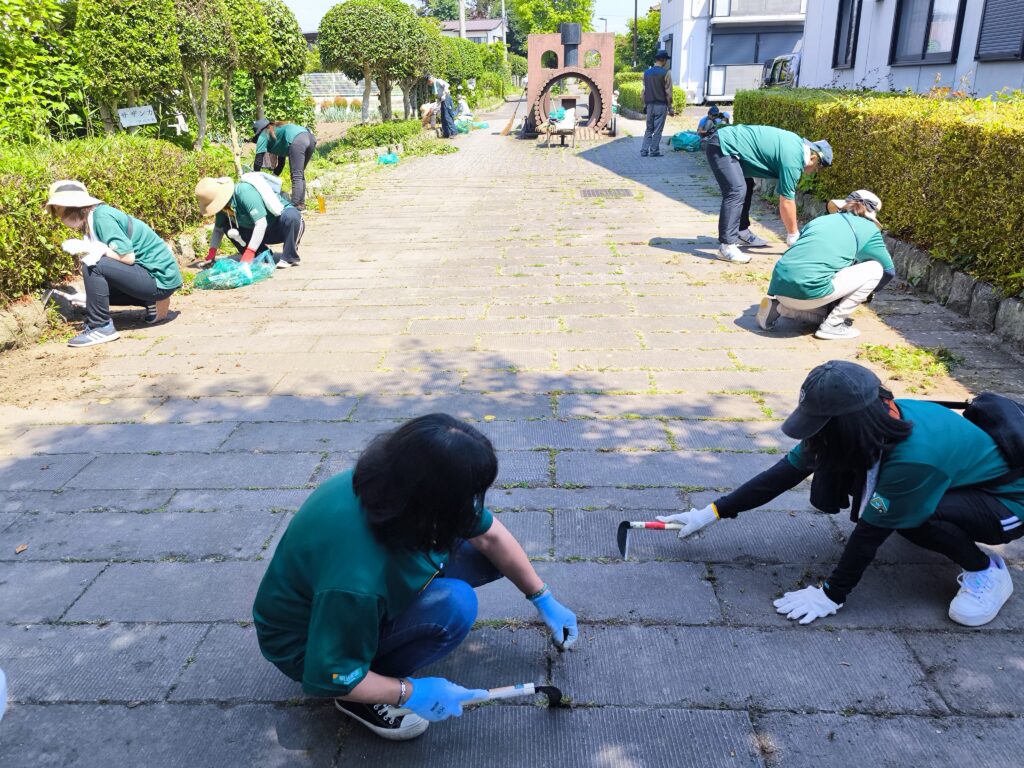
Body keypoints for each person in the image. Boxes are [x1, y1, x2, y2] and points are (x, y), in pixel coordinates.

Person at [252, 414, 579, 741]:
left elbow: (491, 537)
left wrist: (542, 596)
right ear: (433, 504)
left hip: (354, 598)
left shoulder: (396, 485)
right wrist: (409, 691)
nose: (476, 505)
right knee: (455, 605)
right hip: (315, 645)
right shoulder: (356, 580)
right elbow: (328, 675)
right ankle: (365, 694)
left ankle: (386, 639)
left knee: (490, 556)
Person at [656, 361, 1024, 628]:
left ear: (849, 424)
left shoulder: (916, 459)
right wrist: (709, 513)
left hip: (1008, 501)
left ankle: (986, 572)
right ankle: (930, 516)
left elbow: (870, 532)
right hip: (960, 481)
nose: (815, 437)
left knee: (917, 521)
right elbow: (782, 474)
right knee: (880, 496)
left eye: (821, 428)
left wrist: (832, 593)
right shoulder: (864, 424)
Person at [45, 180, 183, 348]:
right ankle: (150, 302)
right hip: (156, 279)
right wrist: (90, 299)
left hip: (159, 279)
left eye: (58, 210)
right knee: (95, 289)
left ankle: (101, 327)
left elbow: (127, 257)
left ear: (72, 207)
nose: (58, 217)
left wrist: (90, 248)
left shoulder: (102, 217)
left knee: (94, 265)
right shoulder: (92, 220)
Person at [756, 190, 896, 341]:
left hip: (780, 288)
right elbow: (888, 270)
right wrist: (868, 294)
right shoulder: (869, 230)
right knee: (875, 268)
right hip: (810, 292)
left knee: (819, 294)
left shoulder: (820, 220)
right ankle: (833, 325)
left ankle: (779, 307)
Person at [706, 123, 832, 264]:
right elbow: (786, 201)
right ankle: (727, 247)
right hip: (723, 145)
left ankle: (741, 232)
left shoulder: (796, 146)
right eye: (819, 168)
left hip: (728, 143)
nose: (816, 172)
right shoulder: (793, 160)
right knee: (736, 191)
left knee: (746, 185)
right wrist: (793, 235)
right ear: (813, 158)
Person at [195, 176, 304, 270]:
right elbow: (218, 230)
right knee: (227, 226)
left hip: (278, 227)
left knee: (292, 216)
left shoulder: (244, 192)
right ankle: (262, 254)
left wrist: (249, 251)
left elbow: (261, 223)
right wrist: (212, 253)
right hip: (259, 233)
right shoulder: (223, 207)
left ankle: (289, 255)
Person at [251, 119, 317, 210]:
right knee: (299, 174)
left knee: (296, 175)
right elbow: (281, 164)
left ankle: (296, 205)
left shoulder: (263, 134)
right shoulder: (277, 132)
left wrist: (255, 177)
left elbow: (258, 159)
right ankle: (301, 205)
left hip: (298, 140)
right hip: (310, 138)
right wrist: (272, 177)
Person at [640, 49, 674, 158]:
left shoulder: (646, 73)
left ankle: (644, 150)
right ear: (663, 60)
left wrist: (645, 104)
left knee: (649, 129)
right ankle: (654, 151)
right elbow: (668, 92)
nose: (666, 63)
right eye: (666, 60)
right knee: (658, 130)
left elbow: (643, 92)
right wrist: (670, 107)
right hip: (661, 105)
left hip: (649, 105)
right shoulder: (666, 73)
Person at [427, 74, 456, 138]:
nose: (429, 84)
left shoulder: (438, 81)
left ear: (431, 79)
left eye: (429, 82)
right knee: (443, 117)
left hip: (446, 98)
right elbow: (438, 94)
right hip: (442, 100)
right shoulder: (433, 85)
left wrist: (444, 95)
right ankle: (446, 133)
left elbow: (447, 85)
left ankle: (453, 132)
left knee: (447, 116)